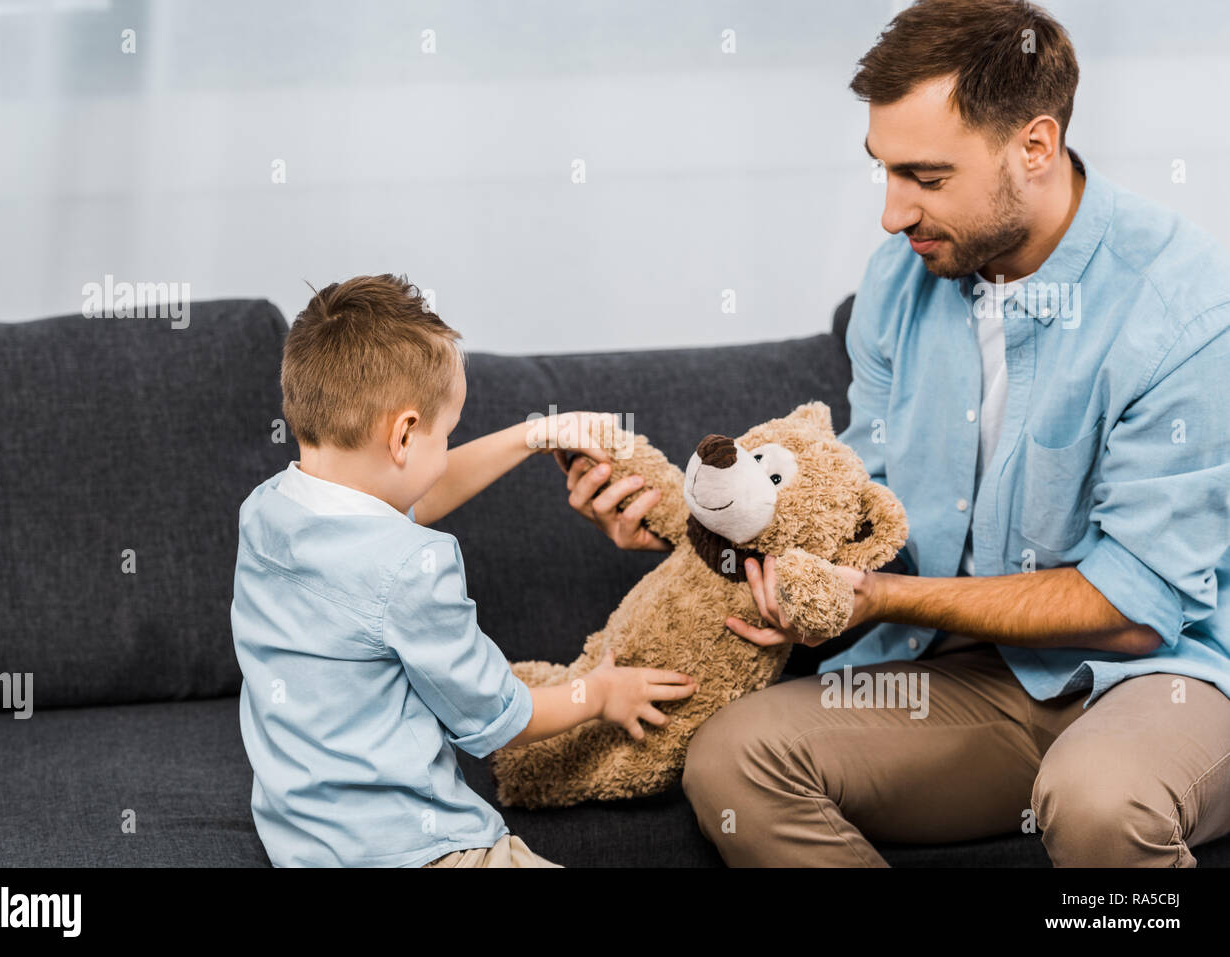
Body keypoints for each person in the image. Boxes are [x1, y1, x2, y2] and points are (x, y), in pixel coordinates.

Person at [560, 0, 1230, 866]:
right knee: (735, 758)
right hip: (971, 682)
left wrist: (878, 600)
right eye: (883, 171)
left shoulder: (1180, 309)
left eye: (926, 177)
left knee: (1100, 802)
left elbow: (1137, 609)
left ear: (1035, 146)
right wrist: (687, 520)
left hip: (1162, 678)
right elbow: (850, 507)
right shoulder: (898, 280)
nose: (891, 214)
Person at [231, 274, 697, 867]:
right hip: (421, 852)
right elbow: (498, 716)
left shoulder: (268, 510)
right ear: (403, 434)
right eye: (446, 435)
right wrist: (601, 693)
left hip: (306, 848)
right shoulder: (411, 566)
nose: (447, 450)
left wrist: (533, 435)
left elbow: (403, 496)